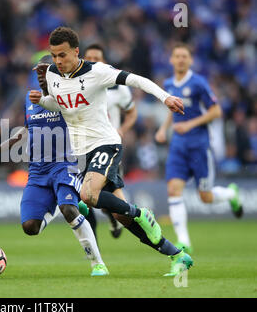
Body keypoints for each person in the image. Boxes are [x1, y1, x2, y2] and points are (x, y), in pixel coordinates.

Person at [30, 26, 191, 277]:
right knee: (121, 215)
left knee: (88, 196)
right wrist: (41, 100)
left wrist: (165, 97)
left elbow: (137, 80)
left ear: (76, 51)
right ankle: (177, 255)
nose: (58, 61)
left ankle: (141, 213)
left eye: (63, 55)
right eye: (54, 56)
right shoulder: (51, 73)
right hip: (83, 153)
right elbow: (59, 104)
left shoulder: (98, 71)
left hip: (106, 143)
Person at [0, 54, 109, 277]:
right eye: (38, 70)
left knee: (70, 211)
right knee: (30, 227)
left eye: (46, 69)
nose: (41, 74)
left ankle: (98, 263)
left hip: (66, 164)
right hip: (37, 170)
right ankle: (60, 202)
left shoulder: (69, 95)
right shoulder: (30, 98)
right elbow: (26, 130)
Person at [155, 43, 243, 253]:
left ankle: (231, 194)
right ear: (171, 60)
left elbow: (216, 112)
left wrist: (190, 124)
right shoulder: (169, 83)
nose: (181, 59)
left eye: (185, 56)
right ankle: (184, 241)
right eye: (177, 56)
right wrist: (164, 128)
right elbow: (172, 108)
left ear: (191, 60)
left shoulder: (199, 83)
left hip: (199, 146)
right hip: (178, 146)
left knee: (206, 197)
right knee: (173, 190)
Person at [83, 43, 138, 240]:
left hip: (108, 148)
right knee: (86, 199)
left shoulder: (117, 87)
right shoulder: (77, 85)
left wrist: (122, 129)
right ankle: (93, 243)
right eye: (88, 57)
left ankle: (124, 217)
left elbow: (132, 112)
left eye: (96, 58)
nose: (92, 60)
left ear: (104, 61)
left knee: (105, 198)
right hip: (85, 147)